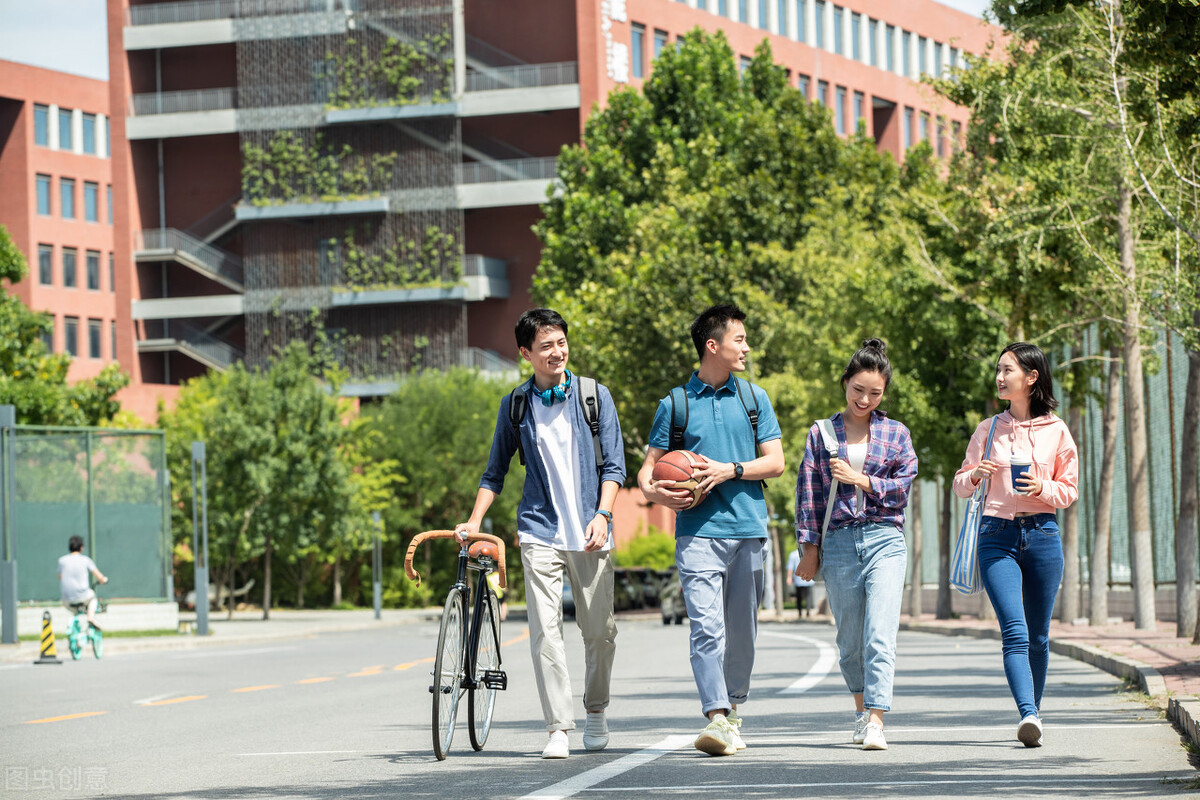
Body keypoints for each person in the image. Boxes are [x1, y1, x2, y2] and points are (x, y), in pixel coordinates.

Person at [455, 308, 625, 760]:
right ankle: (558, 727)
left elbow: (614, 466)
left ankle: (596, 710)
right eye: (546, 346)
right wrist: (474, 521)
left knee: (600, 632)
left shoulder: (594, 395)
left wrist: (603, 514)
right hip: (539, 530)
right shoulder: (516, 405)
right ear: (526, 354)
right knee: (545, 632)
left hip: (592, 531)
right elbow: (494, 473)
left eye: (562, 342)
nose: (557, 351)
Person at [637, 303, 785, 757]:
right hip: (697, 532)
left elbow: (776, 462)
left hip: (748, 528)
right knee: (706, 628)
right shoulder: (675, 404)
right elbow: (645, 473)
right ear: (712, 345)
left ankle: (734, 708)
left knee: (742, 632)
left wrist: (729, 470)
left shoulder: (754, 398)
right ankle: (716, 717)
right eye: (739, 339)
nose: (746, 347)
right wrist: (661, 496)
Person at [953, 342, 1078, 748]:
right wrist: (974, 476)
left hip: (1043, 534)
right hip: (996, 536)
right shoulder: (988, 430)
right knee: (1015, 631)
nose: (1000, 377)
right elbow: (959, 484)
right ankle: (1027, 712)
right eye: (998, 369)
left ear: (1031, 377)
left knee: (1039, 636)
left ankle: (1033, 714)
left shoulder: (1057, 430)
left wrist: (1044, 487)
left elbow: (1070, 490)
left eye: (1008, 370)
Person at [794, 339, 917, 752]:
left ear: (884, 393)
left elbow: (902, 489)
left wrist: (861, 479)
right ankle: (863, 712)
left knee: (880, 634)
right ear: (845, 383)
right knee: (850, 642)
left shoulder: (897, 433)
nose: (865, 399)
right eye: (858, 389)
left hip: (885, 538)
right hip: (840, 543)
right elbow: (808, 494)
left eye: (875, 392)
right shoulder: (821, 433)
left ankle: (878, 720)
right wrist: (809, 549)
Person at [58, 535, 108, 629]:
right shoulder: (86, 560)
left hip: (66, 599)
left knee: (75, 612)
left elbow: (60, 577)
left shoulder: (62, 561)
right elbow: (99, 576)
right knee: (93, 597)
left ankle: (75, 625)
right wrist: (103, 580)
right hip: (83, 596)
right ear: (81, 547)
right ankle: (90, 617)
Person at [784, 548, 815, 618]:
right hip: (809, 579)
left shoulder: (793, 554)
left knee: (799, 597)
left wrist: (789, 577)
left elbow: (790, 568)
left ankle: (800, 612)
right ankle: (808, 612)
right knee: (808, 597)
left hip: (798, 579)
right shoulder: (810, 553)